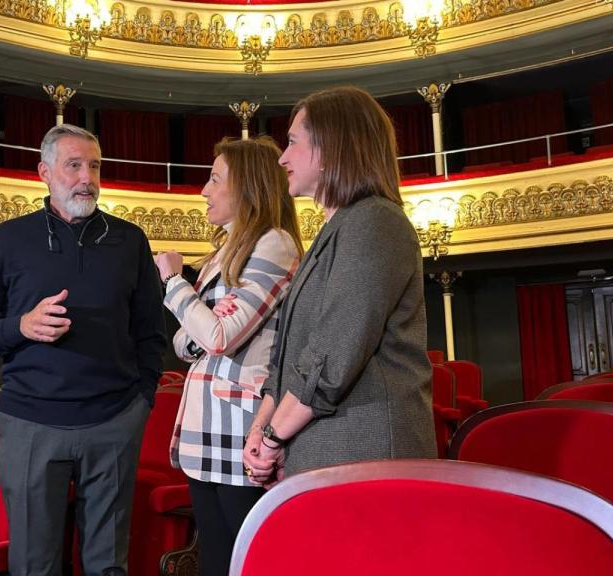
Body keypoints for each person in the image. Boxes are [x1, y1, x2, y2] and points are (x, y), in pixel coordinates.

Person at [0, 124, 166, 576]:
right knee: (35, 565)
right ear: (45, 173)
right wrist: (22, 326)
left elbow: (151, 333)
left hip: (114, 423)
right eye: (73, 166)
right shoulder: (8, 239)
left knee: (108, 565)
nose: (86, 178)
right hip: (31, 424)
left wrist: (141, 401)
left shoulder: (129, 241)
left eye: (94, 166)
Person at [239, 86, 436, 486]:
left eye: (293, 142)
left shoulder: (375, 222)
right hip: (324, 447)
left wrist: (275, 435)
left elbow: (333, 355)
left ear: (329, 149)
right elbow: (291, 356)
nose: (282, 157)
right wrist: (262, 430)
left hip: (366, 450)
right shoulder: (337, 229)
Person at [153, 137, 302, 576]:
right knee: (216, 560)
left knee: (250, 562)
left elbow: (215, 336)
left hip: (242, 432)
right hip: (207, 431)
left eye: (215, 179)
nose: (203, 190)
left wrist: (174, 283)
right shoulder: (223, 254)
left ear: (248, 187)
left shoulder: (274, 244)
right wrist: (202, 325)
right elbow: (186, 342)